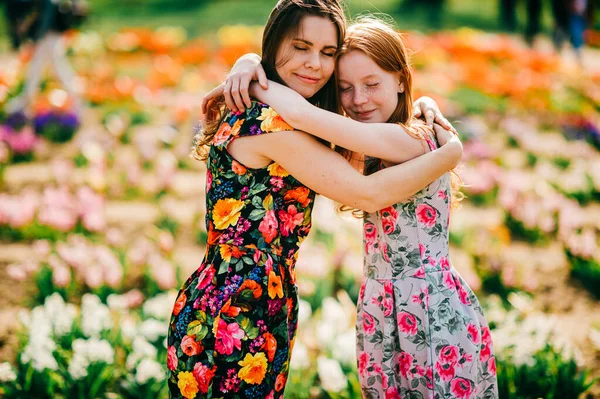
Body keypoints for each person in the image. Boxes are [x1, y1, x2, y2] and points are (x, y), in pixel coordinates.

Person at [167, 1, 463, 398]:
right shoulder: (268, 123)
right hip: (235, 308)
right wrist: (450, 154)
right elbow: (365, 193)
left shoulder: (282, 115)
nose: (314, 65)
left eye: (327, 53)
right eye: (301, 47)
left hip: (251, 302)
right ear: (274, 45)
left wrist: (252, 67)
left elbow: (357, 142)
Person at [4, 0, 86, 116]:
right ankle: (26, 101)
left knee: (57, 69)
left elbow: (46, 18)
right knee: (39, 69)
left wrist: (35, 39)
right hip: (49, 36)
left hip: (49, 36)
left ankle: (78, 101)